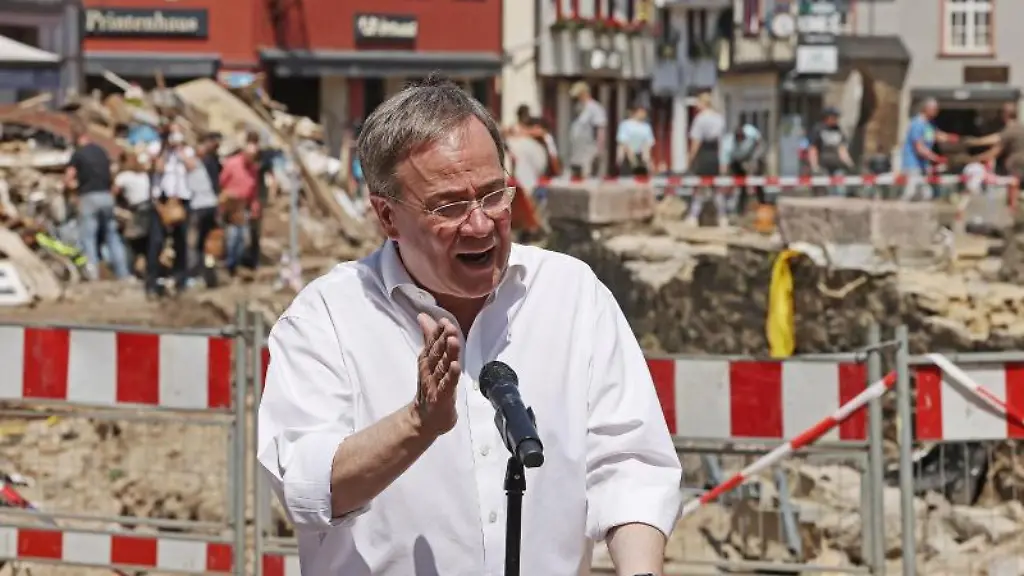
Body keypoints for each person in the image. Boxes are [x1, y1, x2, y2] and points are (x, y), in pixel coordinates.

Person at [257, 76, 682, 575]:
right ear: (387, 216)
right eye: (450, 206)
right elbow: (304, 490)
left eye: (492, 194)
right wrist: (416, 426)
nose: (481, 224)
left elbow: (630, 463)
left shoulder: (571, 294)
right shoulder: (325, 318)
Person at [65, 128, 131, 281]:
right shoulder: (102, 151)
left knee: (88, 237)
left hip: (89, 197)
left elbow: (69, 178)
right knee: (112, 236)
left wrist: (72, 187)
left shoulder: (78, 154)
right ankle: (123, 273)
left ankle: (93, 275)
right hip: (107, 196)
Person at [901, 98, 958, 201]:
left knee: (925, 193)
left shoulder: (928, 125)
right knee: (912, 192)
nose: (936, 111)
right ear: (926, 108)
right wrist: (936, 158)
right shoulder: (917, 124)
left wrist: (951, 138)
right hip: (913, 165)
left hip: (923, 166)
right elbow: (919, 147)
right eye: (934, 109)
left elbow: (936, 135)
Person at [685, 90, 727, 227]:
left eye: (698, 102)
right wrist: (722, 160)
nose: (696, 105)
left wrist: (690, 158)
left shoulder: (700, 119)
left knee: (700, 187)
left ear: (704, 103)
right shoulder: (719, 118)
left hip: (703, 153)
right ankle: (722, 217)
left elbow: (696, 142)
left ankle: (693, 217)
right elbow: (721, 141)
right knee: (716, 188)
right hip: (715, 154)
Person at [965, 103, 1024, 185]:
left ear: (1005, 114)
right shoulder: (1020, 127)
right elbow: (997, 143)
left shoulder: (1011, 129)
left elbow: (996, 141)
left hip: (1017, 163)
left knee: (1014, 183)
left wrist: (975, 143)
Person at [807, 107, 855, 197]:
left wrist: (849, 163)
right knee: (825, 191)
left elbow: (842, 149)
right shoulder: (819, 129)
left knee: (840, 190)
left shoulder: (839, 130)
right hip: (823, 166)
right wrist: (814, 166)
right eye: (834, 117)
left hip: (837, 165)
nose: (836, 119)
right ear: (827, 117)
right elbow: (813, 148)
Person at [721, 122, 765, 212]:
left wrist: (754, 160)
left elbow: (760, 141)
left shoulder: (750, 131)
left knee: (758, 181)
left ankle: (763, 205)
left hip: (752, 155)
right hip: (737, 160)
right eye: (739, 139)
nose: (741, 141)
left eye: (743, 138)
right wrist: (724, 175)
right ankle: (741, 208)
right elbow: (725, 163)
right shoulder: (728, 143)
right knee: (741, 184)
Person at [568, 81, 607, 178]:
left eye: (578, 95)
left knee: (587, 175)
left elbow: (600, 128)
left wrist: (599, 148)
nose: (577, 99)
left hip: (589, 149)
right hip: (577, 150)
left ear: (584, 93)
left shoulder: (595, 108)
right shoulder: (579, 107)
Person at [616, 104, 655, 176]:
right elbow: (624, 143)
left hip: (640, 156)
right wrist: (631, 159)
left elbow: (647, 144)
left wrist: (648, 161)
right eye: (642, 111)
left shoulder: (646, 127)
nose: (644, 114)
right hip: (627, 156)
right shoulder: (625, 125)